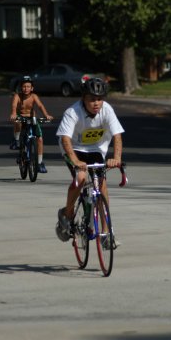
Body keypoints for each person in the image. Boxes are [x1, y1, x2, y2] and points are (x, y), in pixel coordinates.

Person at [55, 77, 124, 244]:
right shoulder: (73, 112)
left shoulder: (107, 110)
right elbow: (65, 138)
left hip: (95, 148)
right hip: (73, 148)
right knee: (81, 178)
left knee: (101, 185)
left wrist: (116, 158)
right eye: (92, 99)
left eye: (100, 99)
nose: (96, 103)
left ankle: (106, 233)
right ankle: (67, 213)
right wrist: (75, 161)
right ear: (83, 98)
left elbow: (117, 136)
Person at [10, 76, 53, 173]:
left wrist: (46, 115)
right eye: (24, 86)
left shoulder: (34, 96)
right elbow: (14, 105)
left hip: (32, 118)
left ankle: (40, 163)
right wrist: (13, 113)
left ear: (32, 88)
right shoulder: (17, 96)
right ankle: (16, 140)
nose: (26, 89)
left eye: (28, 86)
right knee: (18, 122)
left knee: (40, 139)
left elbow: (40, 106)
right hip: (20, 117)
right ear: (21, 87)